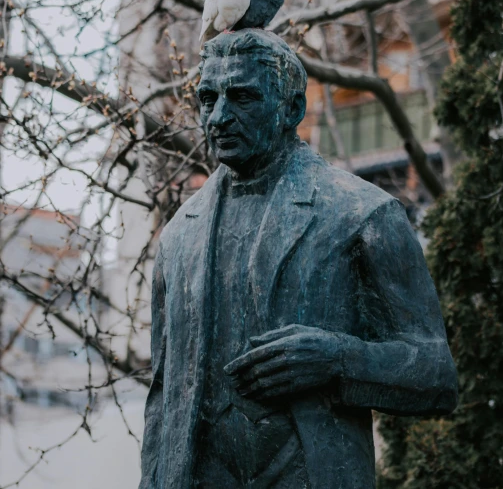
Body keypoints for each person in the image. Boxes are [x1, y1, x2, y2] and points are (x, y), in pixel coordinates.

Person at [139, 29, 457, 489]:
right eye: (208, 98)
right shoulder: (177, 236)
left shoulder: (362, 213)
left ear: (292, 109)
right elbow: (163, 400)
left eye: (243, 96)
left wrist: (337, 359)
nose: (220, 117)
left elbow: (436, 375)